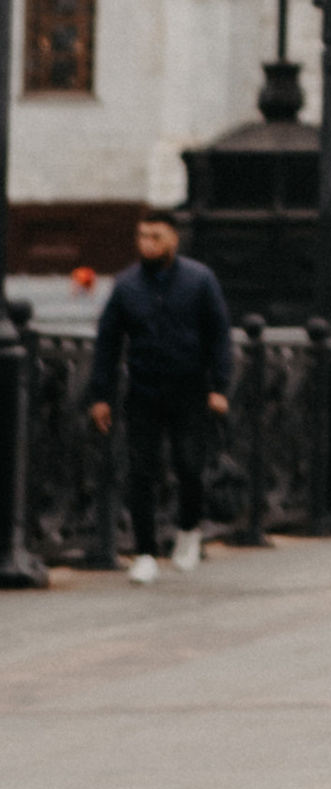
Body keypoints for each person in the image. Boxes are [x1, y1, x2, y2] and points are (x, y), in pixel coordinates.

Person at [86, 214, 232, 583]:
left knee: (189, 467)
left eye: (155, 236)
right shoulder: (127, 285)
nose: (146, 243)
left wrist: (219, 386)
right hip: (144, 391)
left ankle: (187, 531)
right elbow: (108, 342)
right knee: (141, 472)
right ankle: (146, 552)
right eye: (141, 236)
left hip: (190, 392)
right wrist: (100, 394)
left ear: (172, 239)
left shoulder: (199, 280)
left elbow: (219, 335)